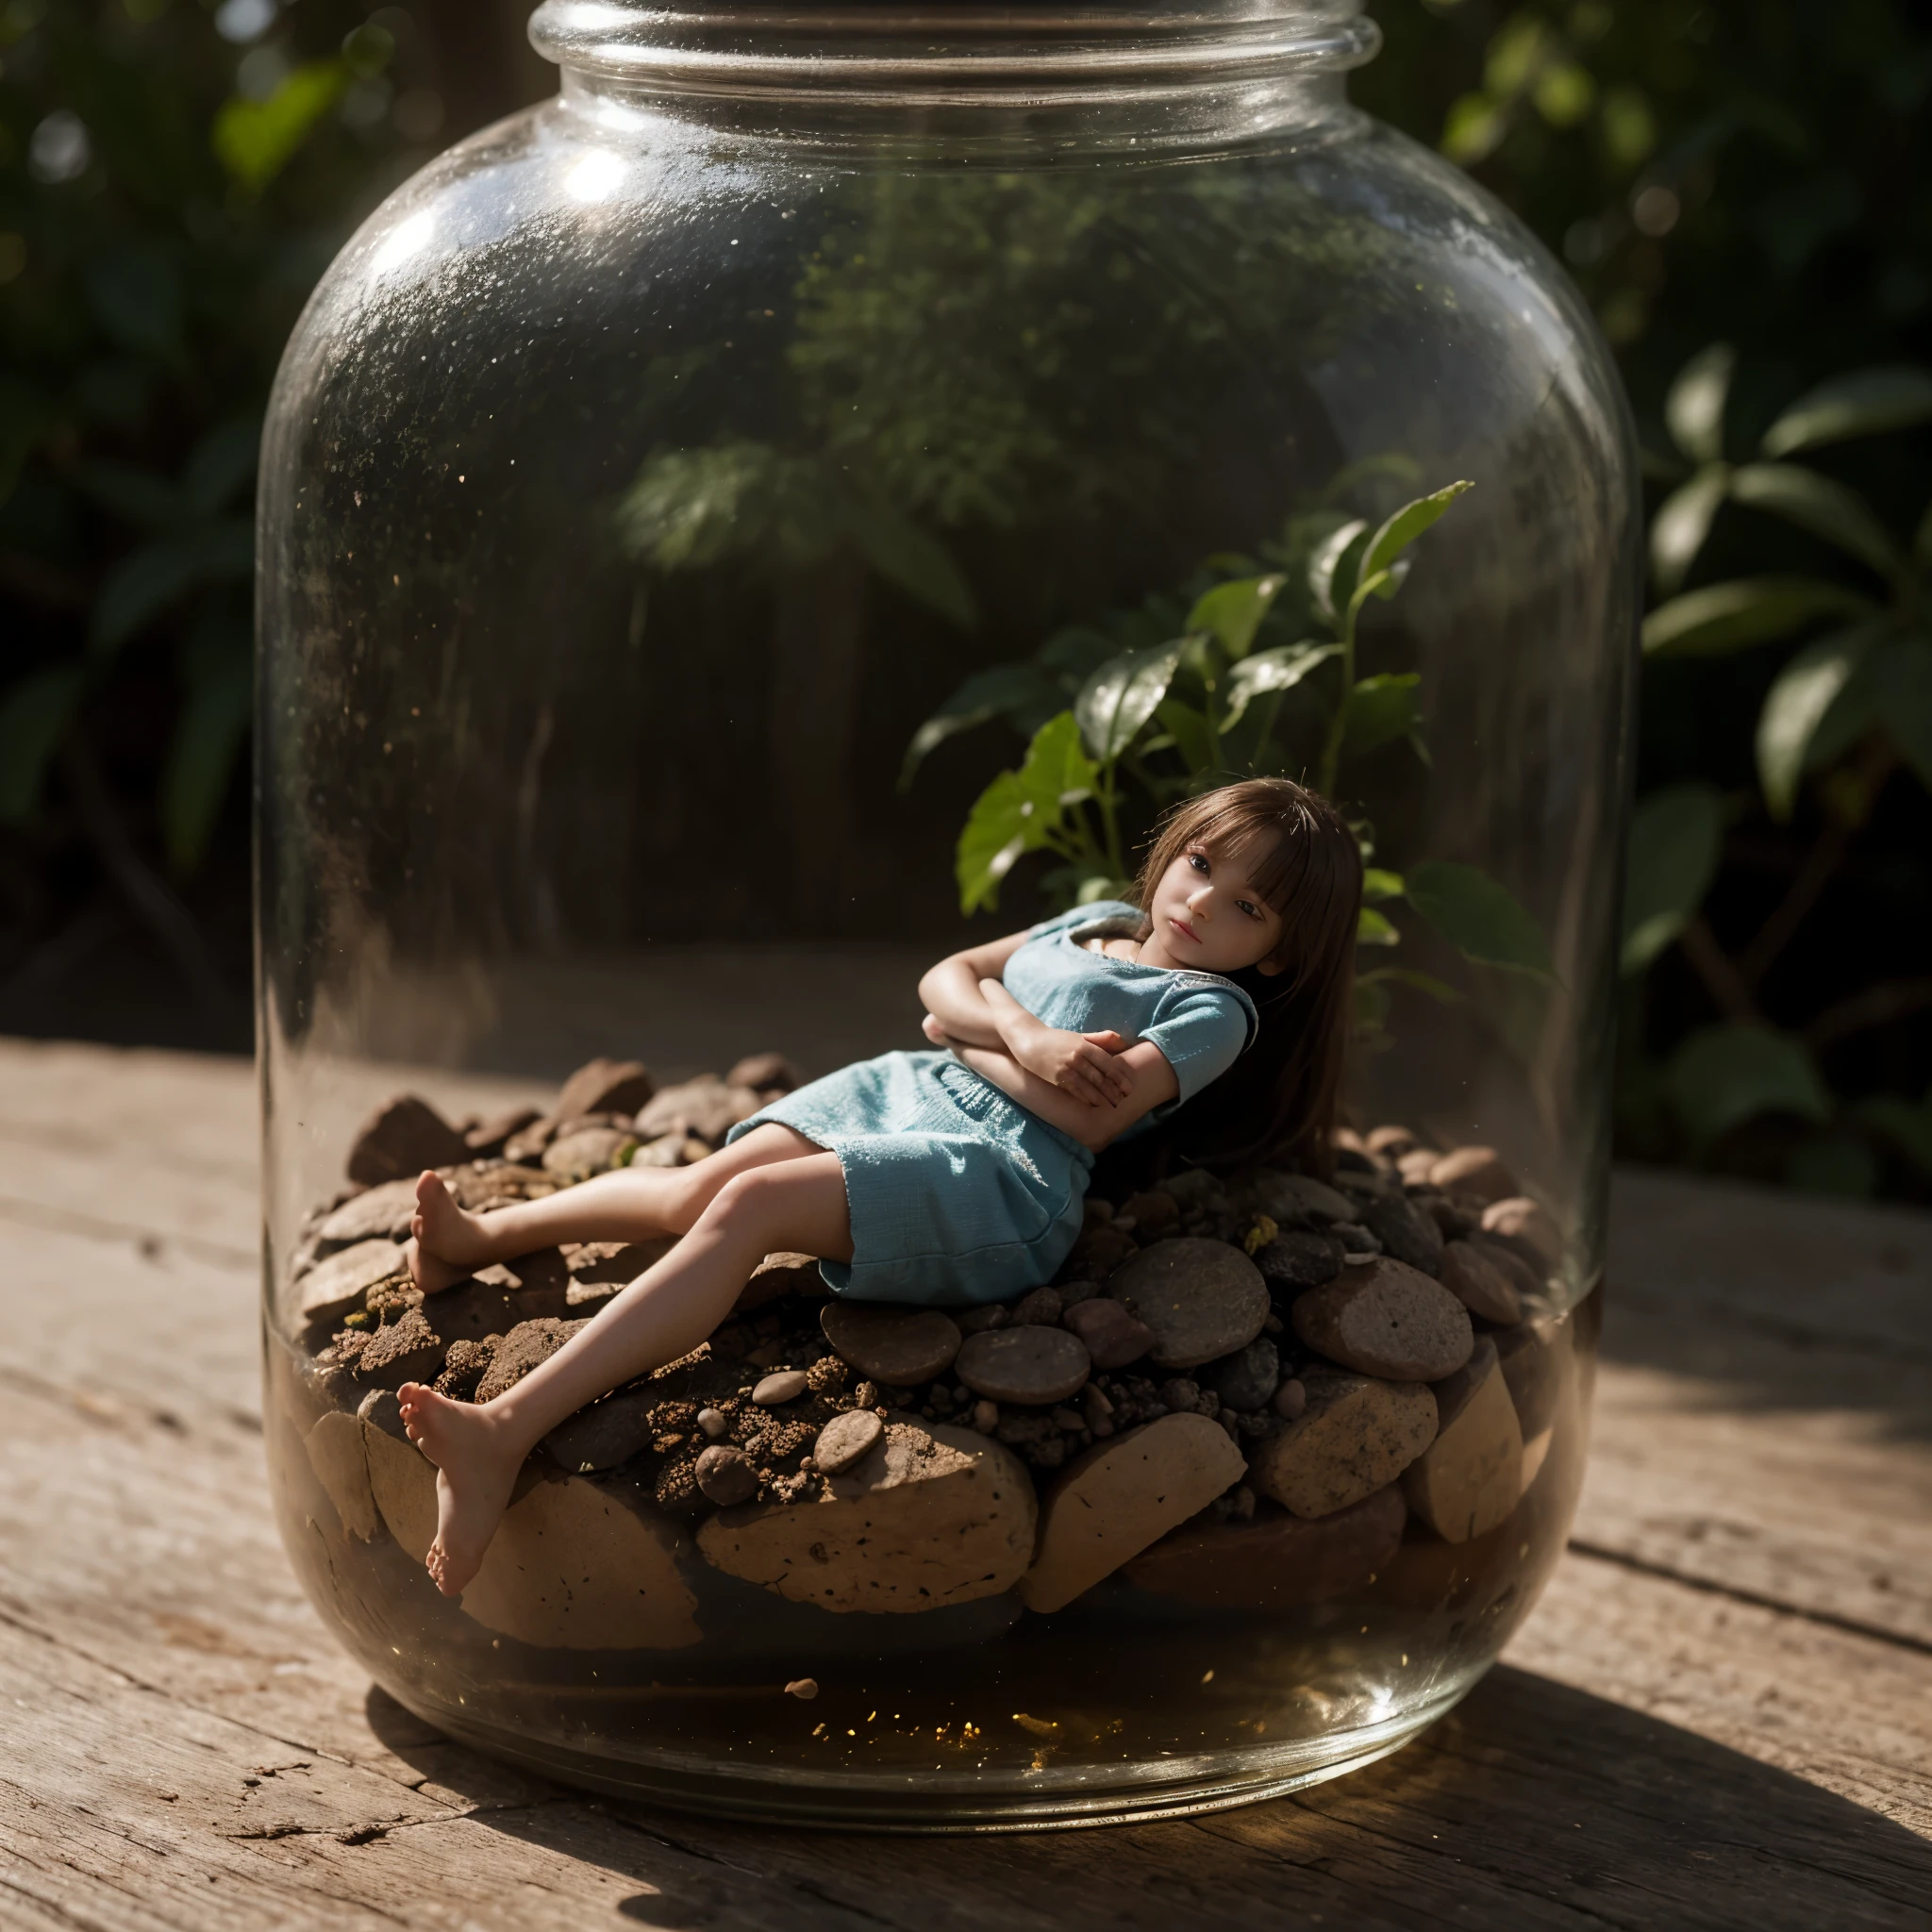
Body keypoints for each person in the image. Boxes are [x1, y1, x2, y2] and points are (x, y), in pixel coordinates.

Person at [396, 776, 1362, 1595]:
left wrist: (970, 1030)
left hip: (998, 1175)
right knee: (704, 1184)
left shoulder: (1207, 1009)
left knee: (746, 1210)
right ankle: (482, 1236)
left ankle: (503, 1429)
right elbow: (944, 978)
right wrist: (1020, 1034)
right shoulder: (1098, 922)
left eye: (1249, 905)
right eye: (1200, 862)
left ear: (1275, 952)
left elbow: (1083, 1117)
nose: (1202, 899)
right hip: (908, 1085)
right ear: (1171, 851)